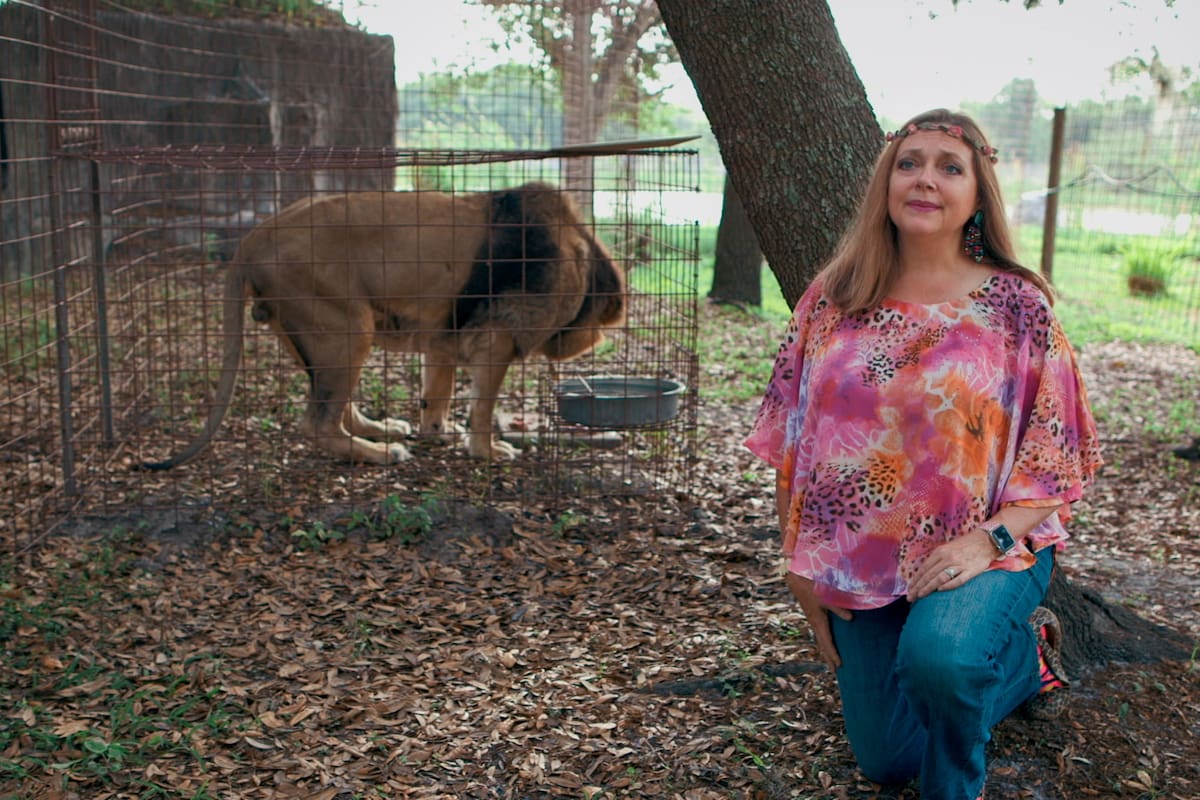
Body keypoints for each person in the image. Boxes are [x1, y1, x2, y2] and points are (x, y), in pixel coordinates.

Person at [744, 108, 1102, 800]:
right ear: (886, 183)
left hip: (991, 543)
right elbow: (793, 437)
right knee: (886, 758)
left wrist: (986, 541)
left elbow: (1057, 457)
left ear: (977, 193)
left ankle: (956, 776)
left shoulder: (1017, 305)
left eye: (949, 166)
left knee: (941, 658)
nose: (925, 179)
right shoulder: (835, 298)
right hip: (859, 554)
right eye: (909, 163)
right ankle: (1025, 667)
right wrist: (795, 561)